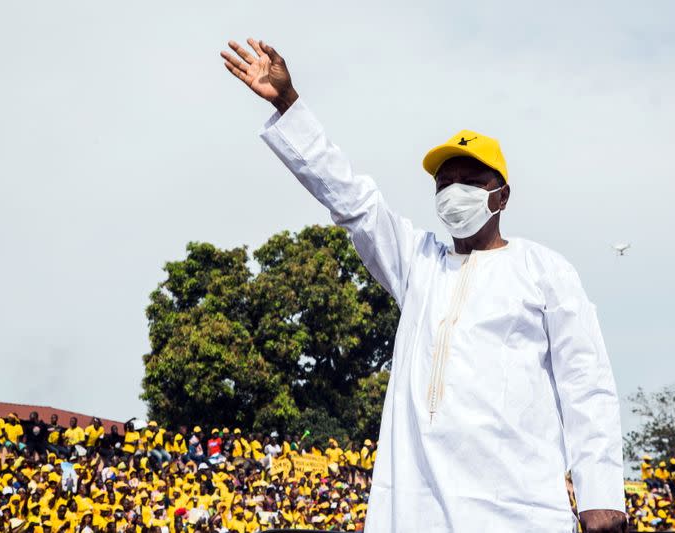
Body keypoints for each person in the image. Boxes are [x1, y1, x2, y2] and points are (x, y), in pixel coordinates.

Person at [221, 36, 627, 532]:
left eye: (470, 181)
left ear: (501, 195)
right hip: (415, 508)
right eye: (443, 183)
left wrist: (601, 494)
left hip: (516, 507)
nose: (454, 192)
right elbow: (353, 200)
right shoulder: (419, 265)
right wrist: (288, 103)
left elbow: (587, 384)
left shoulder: (545, 272)